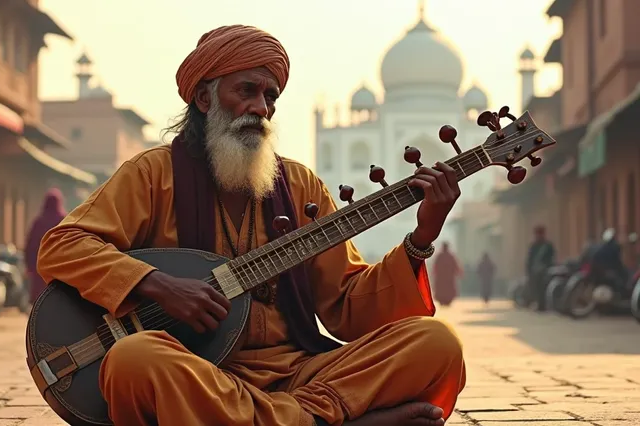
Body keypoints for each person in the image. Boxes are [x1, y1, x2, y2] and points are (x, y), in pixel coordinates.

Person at [37, 25, 466, 426]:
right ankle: (323, 419)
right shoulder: (153, 175)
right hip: (199, 374)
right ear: (204, 99)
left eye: (271, 97)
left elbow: (348, 307)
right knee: (134, 360)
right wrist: (157, 285)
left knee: (436, 343)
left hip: (299, 374)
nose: (261, 108)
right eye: (247, 91)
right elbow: (62, 245)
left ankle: (295, 416)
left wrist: (421, 237)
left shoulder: (300, 185)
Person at [24, 188, 67, 304]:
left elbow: (30, 245)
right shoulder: (65, 221)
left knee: (40, 298)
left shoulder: (39, 222)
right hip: (59, 268)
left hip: (40, 267)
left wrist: (29, 265)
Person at [525, 225, 555, 311]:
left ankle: (543, 305)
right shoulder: (533, 246)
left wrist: (547, 267)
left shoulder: (548, 246)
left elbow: (551, 258)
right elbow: (529, 260)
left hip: (545, 271)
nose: (538, 235)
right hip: (534, 271)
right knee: (536, 289)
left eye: (540, 233)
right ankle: (539, 304)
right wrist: (528, 271)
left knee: (543, 288)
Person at [433, 242, 462, 307]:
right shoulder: (449, 256)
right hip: (447, 277)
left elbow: (435, 266)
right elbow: (455, 265)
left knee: (443, 289)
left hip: (443, 278)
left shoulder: (440, 256)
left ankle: (444, 300)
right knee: (446, 289)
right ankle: (445, 300)